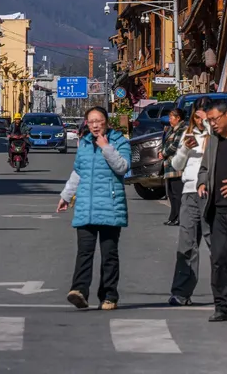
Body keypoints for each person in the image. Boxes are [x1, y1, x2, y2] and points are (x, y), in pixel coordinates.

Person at [57, 106, 131, 311]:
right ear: (86, 124)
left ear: (107, 122)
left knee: (109, 254)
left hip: (110, 205)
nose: (95, 125)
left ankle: (109, 296)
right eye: (91, 122)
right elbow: (77, 173)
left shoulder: (119, 142)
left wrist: (106, 147)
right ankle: (79, 291)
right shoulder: (85, 144)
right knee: (84, 252)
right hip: (86, 205)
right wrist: (66, 195)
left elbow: (123, 167)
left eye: (99, 121)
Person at [168, 98, 211, 305]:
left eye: (204, 114)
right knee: (187, 244)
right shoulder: (188, 133)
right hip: (190, 192)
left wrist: (209, 129)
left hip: (213, 193)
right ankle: (181, 292)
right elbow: (176, 164)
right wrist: (185, 148)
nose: (200, 119)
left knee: (219, 245)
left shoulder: (219, 133)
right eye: (196, 115)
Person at [197, 100, 227, 322]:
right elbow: (204, 167)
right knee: (218, 259)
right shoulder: (212, 140)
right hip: (218, 210)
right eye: (209, 120)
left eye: (215, 119)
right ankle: (221, 306)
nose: (212, 124)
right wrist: (202, 182)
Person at [161, 107, 186, 226]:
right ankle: (173, 216)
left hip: (177, 166)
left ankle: (180, 217)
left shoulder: (182, 129)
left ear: (178, 118)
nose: (170, 120)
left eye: (171, 117)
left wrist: (164, 153)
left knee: (177, 193)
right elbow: (166, 143)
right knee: (171, 193)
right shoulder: (171, 129)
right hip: (169, 166)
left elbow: (174, 146)